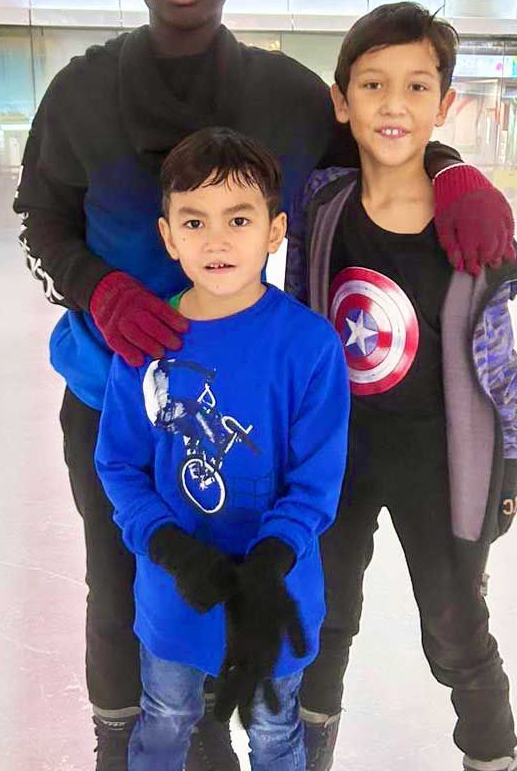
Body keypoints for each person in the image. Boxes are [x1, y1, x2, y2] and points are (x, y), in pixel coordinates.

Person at [12, 0, 516, 770]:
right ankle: (126, 748)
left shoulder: (284, 95)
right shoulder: (81, 92)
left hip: (252, 411)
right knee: (121, 586)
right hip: (118, 393)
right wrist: (98, 289)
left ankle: (255, 734)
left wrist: (454, 172)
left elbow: (382, 143)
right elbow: (38, 213)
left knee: (248, 584)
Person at [286, 3, 517, 771]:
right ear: (341, 100)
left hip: (440, 457)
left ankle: (492, 758)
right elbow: (298, 315)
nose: (393, 105)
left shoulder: (472, 223)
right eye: (372, 84)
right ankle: (306, 751)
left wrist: (512, 461)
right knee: (322, 620)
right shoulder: (322, 202)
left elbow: (497, 358)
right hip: (339, 456)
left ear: (444, 103)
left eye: (417, 86)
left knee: (458, 629)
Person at [94, 128, 350, 771]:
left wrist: (270, 562)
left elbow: (316, 480)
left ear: (274, 230)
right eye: (194, 220)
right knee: (167, 717)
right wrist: (169, 547)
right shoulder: (147, 342)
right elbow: (119, 463)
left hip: (273, 593)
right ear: (168, 235)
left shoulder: (309, 346)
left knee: (272, 731)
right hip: (175, 597)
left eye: (238, 218)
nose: (216, 239)